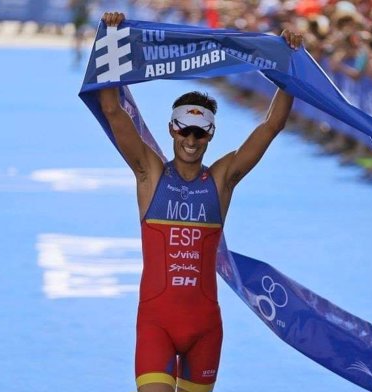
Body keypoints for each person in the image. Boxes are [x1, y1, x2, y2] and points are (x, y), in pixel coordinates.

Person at [97, 11, 303, 392]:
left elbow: (271, 126)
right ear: (172, 130)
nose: (191, 140)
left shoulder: (222, 179)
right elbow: (112, 109)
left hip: (205, 330)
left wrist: (287, 62)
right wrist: (111, 38)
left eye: (200, 133)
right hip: (156, 325)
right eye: (184, 131)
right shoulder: (150, 174)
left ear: (210, 135)